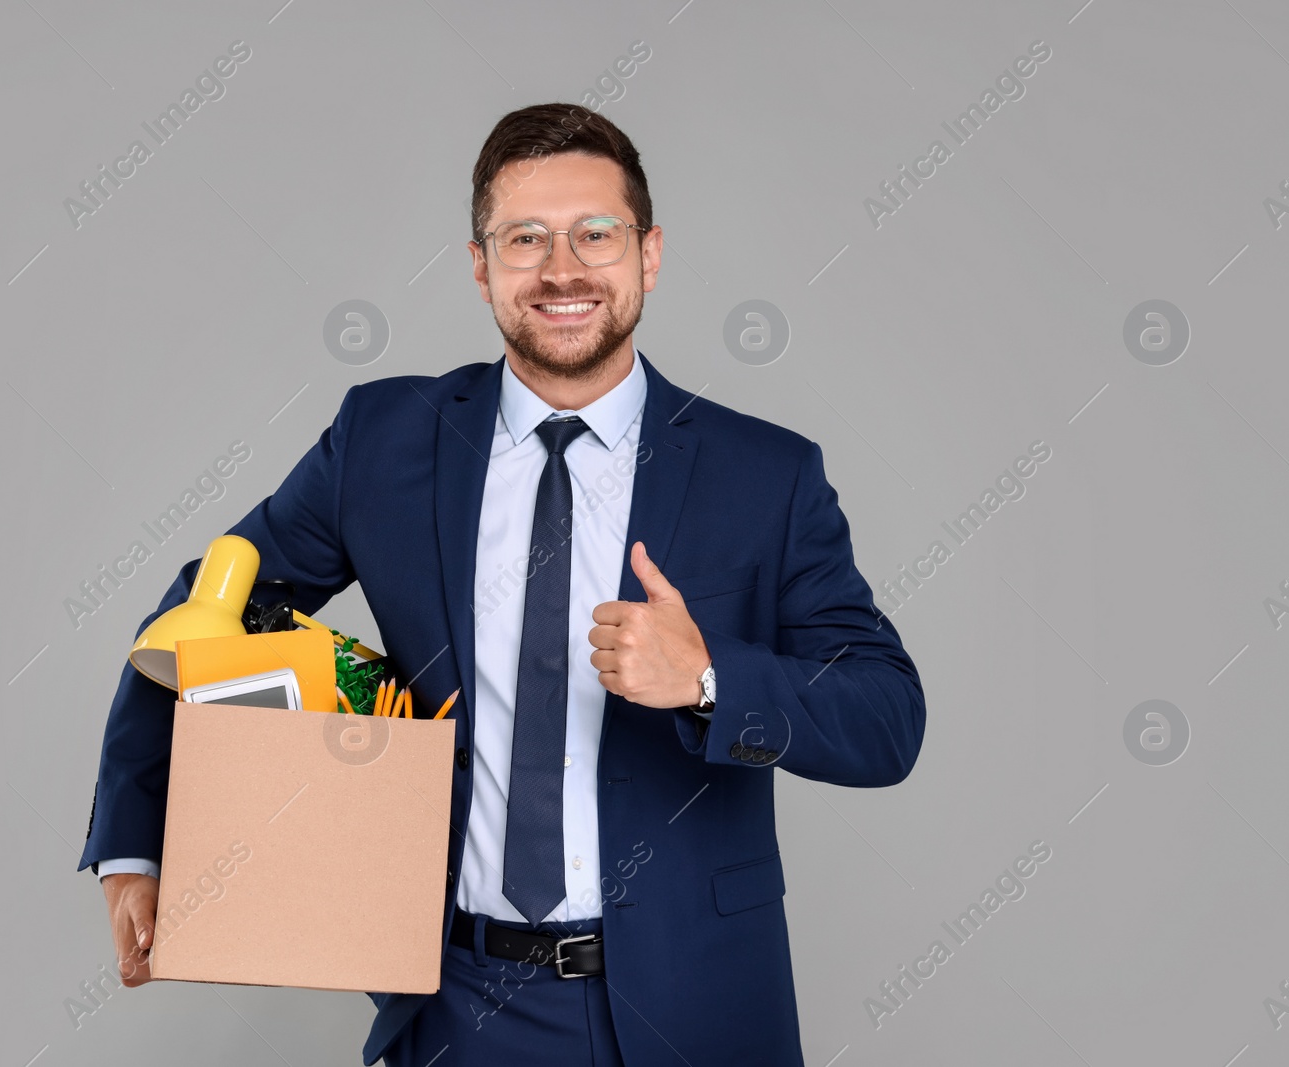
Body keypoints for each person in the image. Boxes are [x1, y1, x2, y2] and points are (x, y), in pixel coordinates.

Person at [80, 102, 926, 1066]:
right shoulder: (385, 440)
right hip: (454, 1005)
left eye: (595, 234)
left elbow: (888, 716)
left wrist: (709, 677)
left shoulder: (766, 475)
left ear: (649, 254)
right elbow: (204, 613)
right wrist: (137, 844)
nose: (562, 268)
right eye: (526, 238)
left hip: (696, 1007)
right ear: (482, 266)